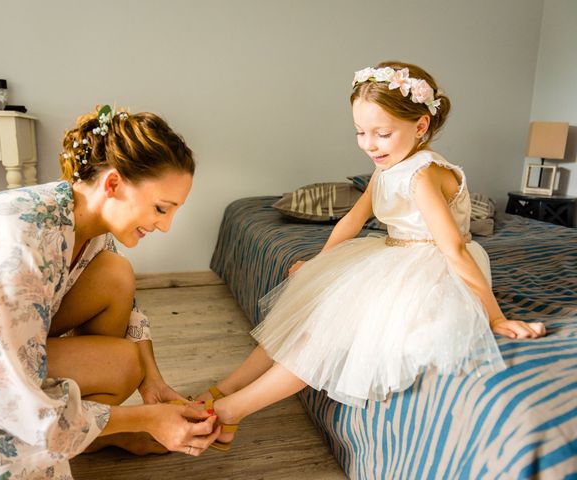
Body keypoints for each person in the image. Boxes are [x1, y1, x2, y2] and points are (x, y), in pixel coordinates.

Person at [195, 61, 546, 450]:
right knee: (307, 312)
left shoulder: (423, 174)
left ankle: (229, 413)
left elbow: (454, 249)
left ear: (420, 126)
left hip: (432, 270)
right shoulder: (388, 167)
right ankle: (221, 389)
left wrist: (495, 316)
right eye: (360, 132)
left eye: (381, 133)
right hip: (389, 256)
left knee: (321, 339)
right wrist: (319, 263)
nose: (369, 144)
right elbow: (351, 220)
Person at [0, 105, 220, 479]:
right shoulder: (17, 252)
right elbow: (7, 411)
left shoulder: (81, 218)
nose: (165, 226)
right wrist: (147, 419)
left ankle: (84, 430)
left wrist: (153, 382)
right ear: (114, 184)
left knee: (118, 292)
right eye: (160, 209)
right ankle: (77, 431)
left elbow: (128, 305)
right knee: (30, 422)